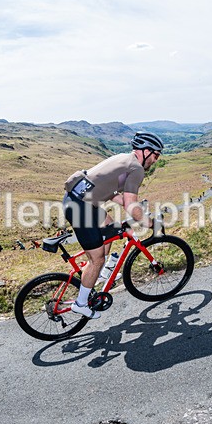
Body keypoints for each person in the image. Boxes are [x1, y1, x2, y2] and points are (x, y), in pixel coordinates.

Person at [62, 131, 163, 319]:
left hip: (77, 200)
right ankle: (81, 304)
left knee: (111, 227)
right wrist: (152, 224)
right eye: (155, 155)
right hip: (81, 208)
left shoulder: (124, 159)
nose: (155, 160)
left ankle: (99, 273)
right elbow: (133, 208)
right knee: (96, 258)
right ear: (146, 151)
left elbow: (109, 191)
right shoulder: (137, 169)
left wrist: (128, 205)